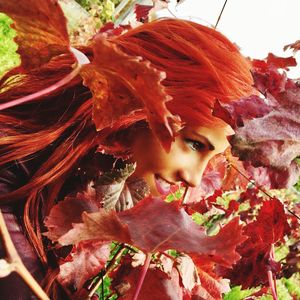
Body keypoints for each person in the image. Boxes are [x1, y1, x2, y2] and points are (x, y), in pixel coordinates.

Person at [0, 16, 253, 299]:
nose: (193, 178)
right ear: (137, 100)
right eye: (194, 144)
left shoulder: (73, 176)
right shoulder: (11, 168)